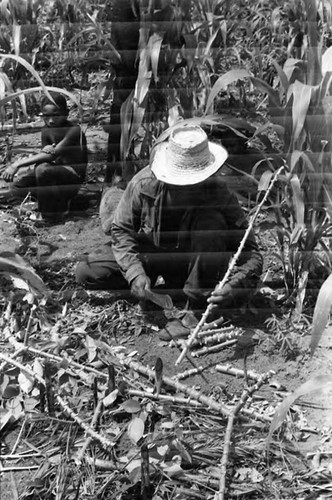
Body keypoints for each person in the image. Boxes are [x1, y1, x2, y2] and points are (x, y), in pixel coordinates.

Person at [76, 124, 263, 339]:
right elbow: (121, 231)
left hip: (195, 262)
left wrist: (235, 285)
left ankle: (196, 306)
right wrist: (135, 272)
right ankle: (151, 289)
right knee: (87, 272)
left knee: (211, 223)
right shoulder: (144, 183)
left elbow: (252, 253)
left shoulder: (219, 194)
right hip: (150, 254)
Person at [2, 93, 88, 222]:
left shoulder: (74, 130)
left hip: (71, 177)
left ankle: (49, 215)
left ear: (66, 113)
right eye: (46, 116)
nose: (51, 120)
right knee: (16, 186)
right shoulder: (46, 130)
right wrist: (45, 152)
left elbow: (50, 156)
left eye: (56, 115)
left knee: (42, 169)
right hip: (53, 174)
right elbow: (46, 155)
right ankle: (45, 205)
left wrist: (17, 164)